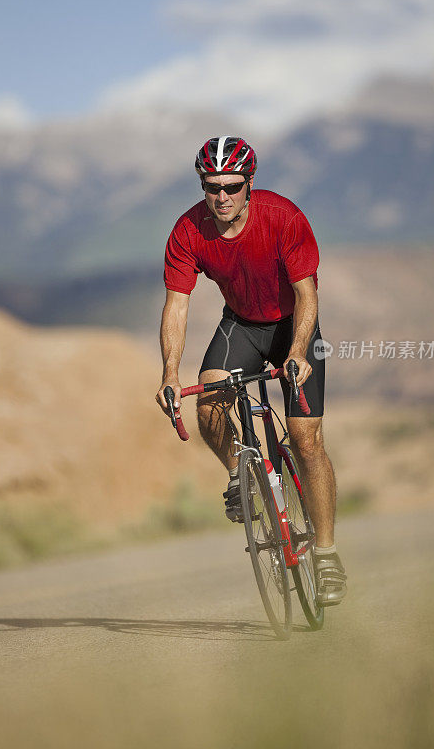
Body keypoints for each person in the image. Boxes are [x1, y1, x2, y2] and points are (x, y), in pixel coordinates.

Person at [156, 136, 346, 606]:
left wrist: (298, 352)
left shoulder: (283, 217)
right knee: (209, 405)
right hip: (240, 325)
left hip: (292, 327)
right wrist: (169, 372)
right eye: (211, 186)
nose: (221, 197)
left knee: (306, 440)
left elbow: (306, 294)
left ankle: (326, 554)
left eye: (232, 186)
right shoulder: (187, 230)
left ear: (249, 183)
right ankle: (241, 476)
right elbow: (177, 306)